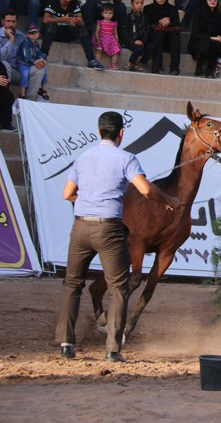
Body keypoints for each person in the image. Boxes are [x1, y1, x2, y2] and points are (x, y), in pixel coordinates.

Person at [56, 111, 182, 363]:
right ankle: (112, 349)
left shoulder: (83, 157)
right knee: (118, 288)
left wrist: (88, 201)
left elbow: (67, 193)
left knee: (72, 284)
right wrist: (168, 200)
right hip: (109, 229)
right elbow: (145, 189)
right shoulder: (126, 157)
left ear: (98, 131)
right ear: (121, 133)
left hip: (80, 227)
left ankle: (66, 344)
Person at [42, 0, 104, 71]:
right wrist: (62, 19)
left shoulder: (74, 4)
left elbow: (82, 23)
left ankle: (91, 59)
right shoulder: (53, 1)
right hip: (53, 33)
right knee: (51, 25)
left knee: (82, 28)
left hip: (66, 33)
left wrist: (77, 21)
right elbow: (45, 19)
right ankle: (43, 55)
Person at [0, 9, 45, 99]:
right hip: (2, 71)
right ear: (2, 21)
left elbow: (31, 53)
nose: (11, 24)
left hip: (20, 70)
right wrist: (11, 40)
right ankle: (4, 96)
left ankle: (29, 101)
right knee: (5, 64)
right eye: (8, 21)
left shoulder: (22, 36)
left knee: (39, 70)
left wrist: (38, 61)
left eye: (13, 21)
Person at [188, 0, 221, 78]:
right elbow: (195, 34)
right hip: (196, 43)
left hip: (212, 44)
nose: (213, 1)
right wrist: (212, 38)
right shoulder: (198, 12)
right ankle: (199, 68)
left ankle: (210, 70)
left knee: (218, 44)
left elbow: (219, 33)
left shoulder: (218, 16)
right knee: (206, 42)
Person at [144, 0, 181, 75]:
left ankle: (174, 69)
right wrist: (159, 21)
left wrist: (169, 22)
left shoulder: (173, 9)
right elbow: (147, 24)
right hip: (155, 40)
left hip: (168, 42)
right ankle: (157, 67)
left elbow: (177, 24)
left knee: (174, 36)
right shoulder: (148, 8)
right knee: (159, 33)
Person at [120, 0, 152, 72]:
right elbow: (124, 31)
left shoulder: (145, 17)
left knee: (151, 47)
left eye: (141, 3)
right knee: (139, 48)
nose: (139, 5)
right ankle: (130, 62)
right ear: (132, 3)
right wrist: (134, 41)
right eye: (137, 3)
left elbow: (147, 31)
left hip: (141, 41)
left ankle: (141, 63)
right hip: (131, 41)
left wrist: (143, 41)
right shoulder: (128, 17)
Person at [15, 22, 48, 100]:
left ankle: (42, 89)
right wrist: (35, 62)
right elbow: (26, 55)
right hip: (23, 63)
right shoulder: (25, 43)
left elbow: (39, 53)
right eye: (31, 33)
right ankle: (22, 94)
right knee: (25, 74)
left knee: (44, 70)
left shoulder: (35, 43)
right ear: (27, 34)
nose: (34, 34)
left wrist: (42, 59)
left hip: (31, 63)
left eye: (36, 32)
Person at [93, 2, 120, 70]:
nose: (108, 15)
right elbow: (97, 32)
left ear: (113, 14)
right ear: (102, 13)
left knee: (117, 51)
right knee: (99, 50)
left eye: (110, 13)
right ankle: (96, 63)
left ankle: (113, 65)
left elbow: (115, 33)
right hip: (101, 39)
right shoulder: (100, 22)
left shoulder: (114, 24)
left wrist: (117, 42)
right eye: (106, 13)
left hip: (111, 40)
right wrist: (98, 39)